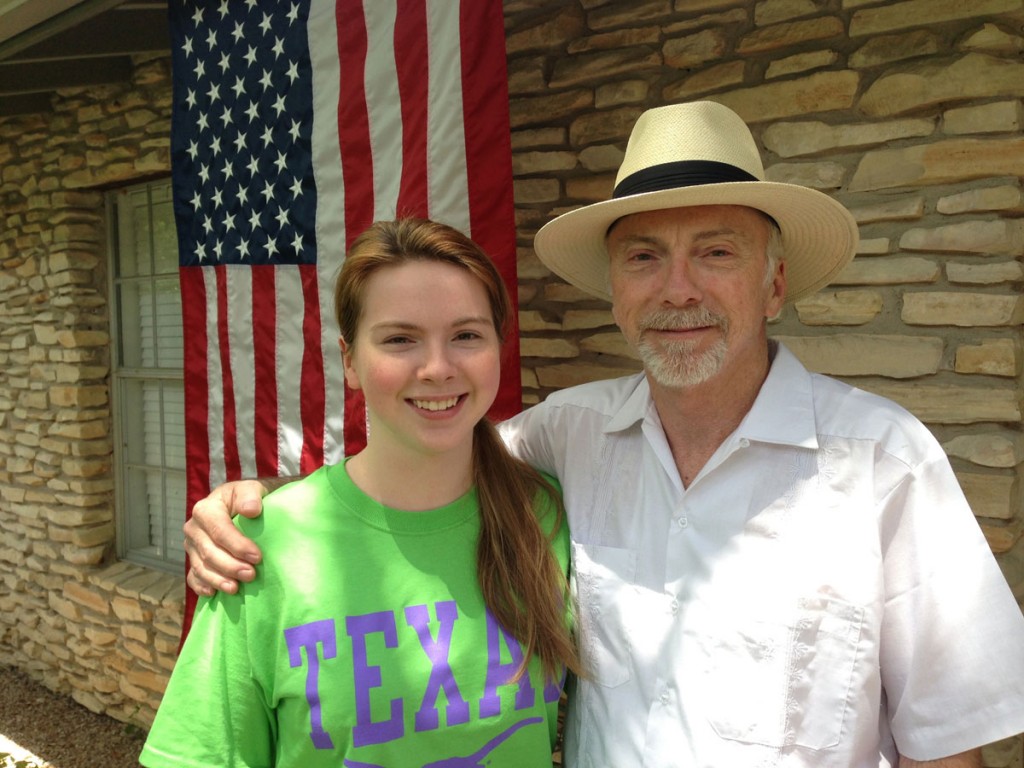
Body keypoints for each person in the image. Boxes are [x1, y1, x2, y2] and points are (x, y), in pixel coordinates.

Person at [182, 102, 1024, 767]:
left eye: (718, 252)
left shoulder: (883, 461)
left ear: (774, 284)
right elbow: (419, 454)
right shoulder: (563, 439)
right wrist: (255, 505)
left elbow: (945, 744)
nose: (677, 289)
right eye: (645, 257)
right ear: (616, 291)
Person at [141, 219, 579, 767]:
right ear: (349, 360)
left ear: (498, 347)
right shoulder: (257, 547)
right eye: (400, 339)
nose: (439, 368)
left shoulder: (549, 516)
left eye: (467, 335)